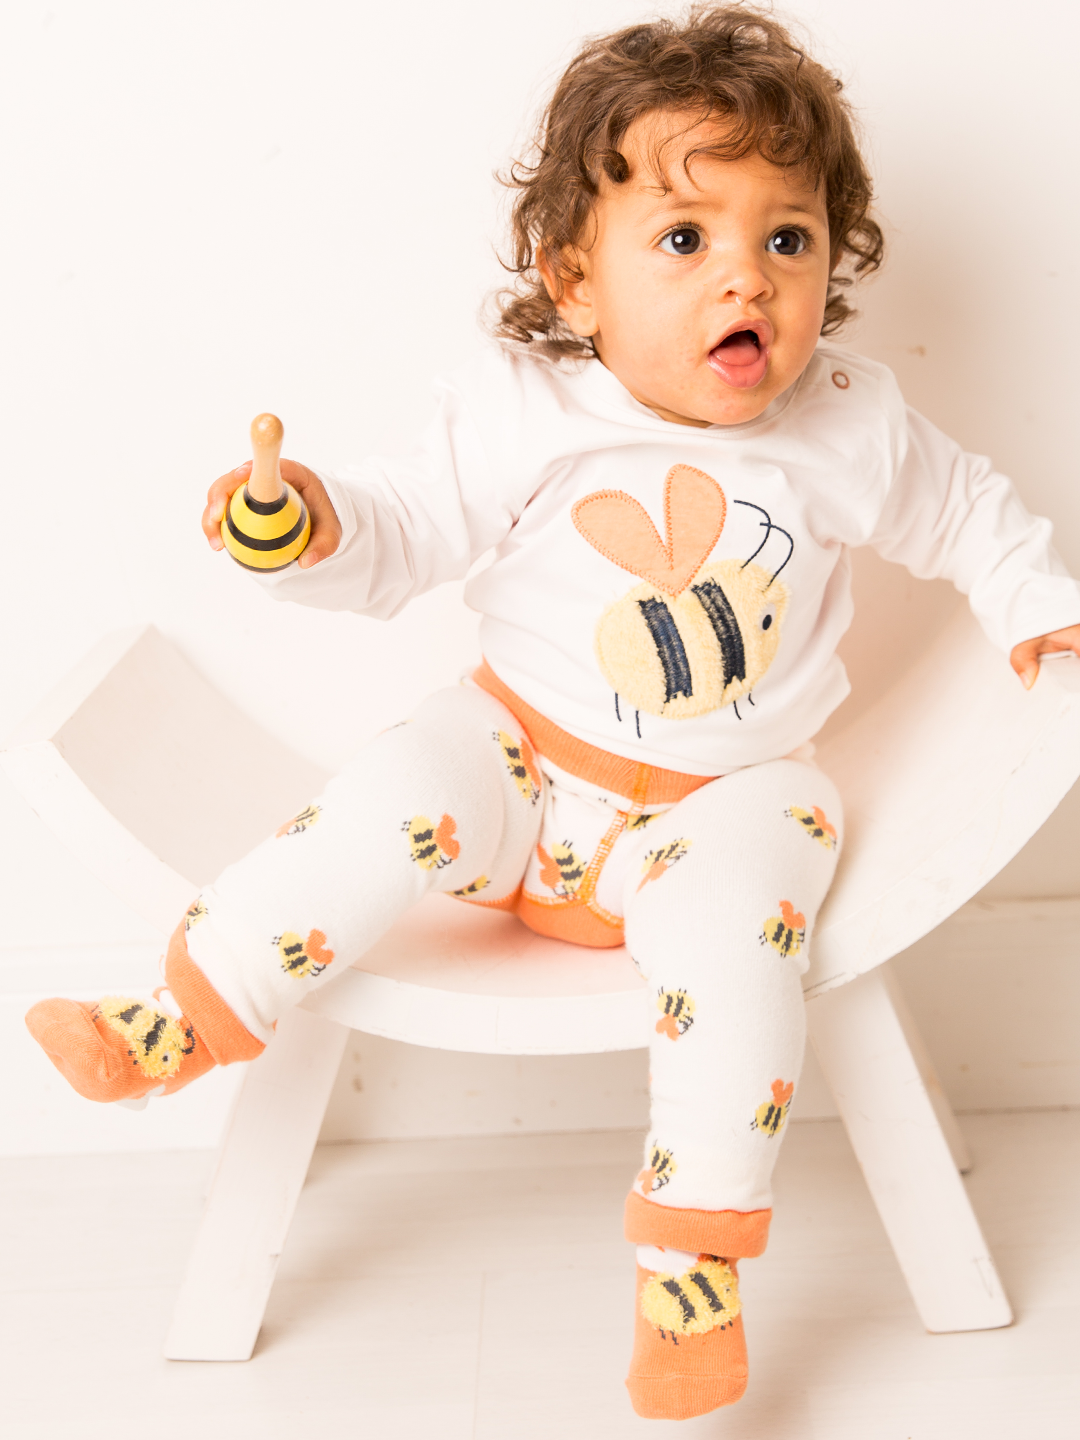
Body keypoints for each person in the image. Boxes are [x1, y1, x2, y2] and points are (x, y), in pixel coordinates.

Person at [26, 4, 1080, 1421]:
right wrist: (309, 524)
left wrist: (1037, 607)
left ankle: (692, 1260)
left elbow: (967, 514)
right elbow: (406, 531)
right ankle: (190, 1014)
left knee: (744, 950)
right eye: (686, 238)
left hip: (730, 799)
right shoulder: (525, 406)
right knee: (390, 789)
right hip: (519, 756)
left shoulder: (849, 419)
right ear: (573, 277)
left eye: (788, 238)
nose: (749, 279)